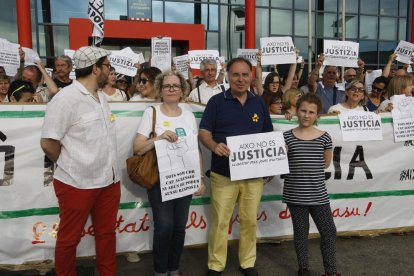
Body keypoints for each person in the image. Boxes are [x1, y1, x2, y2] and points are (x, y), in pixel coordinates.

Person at [40, 46, 120, 276]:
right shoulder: (65, 100)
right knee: (68, 240)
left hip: (108, 181)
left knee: (106, 235)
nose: (109, 70)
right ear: (95, 69)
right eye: (106, 66)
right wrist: (71, 163)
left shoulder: (101, 96)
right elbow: (48, 143)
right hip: (76, 183)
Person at [199, 57, 273, 276]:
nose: (240, 79)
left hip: (253, 175)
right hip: (223, 173)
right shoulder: (216, 102)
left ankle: (247, 263)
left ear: (251, 77)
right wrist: (213, 145)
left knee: (249, 220)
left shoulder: (259, 102)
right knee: (221, 222)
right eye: (236, 75)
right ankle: (216, 264)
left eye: (245, 75)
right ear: (228, 75)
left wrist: (273, 158)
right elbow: (204, 132)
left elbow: (267, 134)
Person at [133, 70, 205, 276]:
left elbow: (195, 149)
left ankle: (174, 269)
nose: (172, 89)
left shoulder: (189, 115)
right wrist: (160, 138)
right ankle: (160, 271)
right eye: (167, 86)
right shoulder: (152, 113)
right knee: (164, 227)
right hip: (159, 181)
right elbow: (137, 147)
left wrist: (199, 178)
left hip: (184, 181)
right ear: (160, 90)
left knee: (179, 228)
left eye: (176, 86)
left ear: (182, 90)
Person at [283, 93, 340, 276]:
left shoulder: (325, 137)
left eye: (311, 112)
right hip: (295, 194)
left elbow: (326, 163)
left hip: (318, 194)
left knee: (329, 231)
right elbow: (279, 163)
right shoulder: (286, 137)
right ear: (296, 111)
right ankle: (303, 268)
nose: (307, 115)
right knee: (301, 233)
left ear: (317, 115)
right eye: (303, 110)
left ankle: (330, 271)